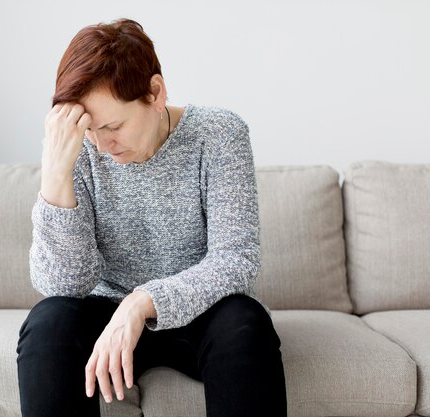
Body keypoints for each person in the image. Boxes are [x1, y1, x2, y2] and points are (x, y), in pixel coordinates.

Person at [16, 18, 287, 417]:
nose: (103, 146)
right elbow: (62, 285)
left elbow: (236, 260)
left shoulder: (219, 135)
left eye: (113, 126)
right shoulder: (80, 148)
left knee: (245, 323)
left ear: (155, 93)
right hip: (108, 319)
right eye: (91, 130)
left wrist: (143, 301)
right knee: (48, 322)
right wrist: (56, 174)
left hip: (201, 313)